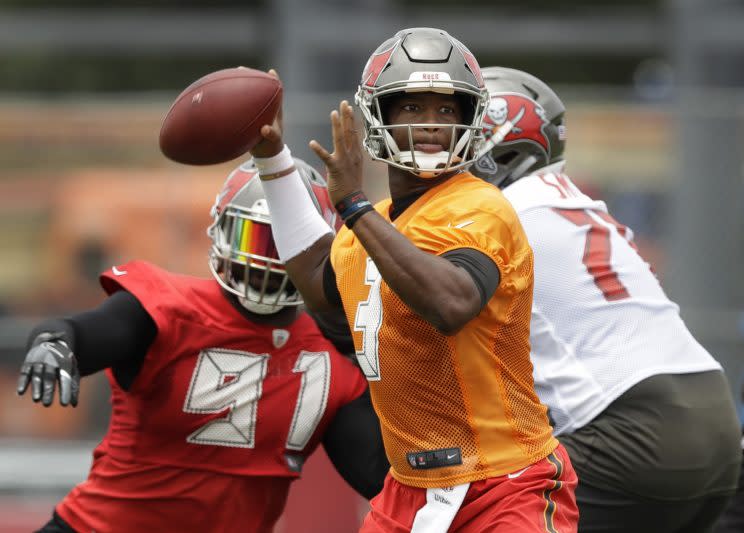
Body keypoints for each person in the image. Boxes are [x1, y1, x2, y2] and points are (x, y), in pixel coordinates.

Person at [250, 28, 578, 532]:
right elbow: (319, 283)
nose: (430, 125)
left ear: (470, 121)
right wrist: (273, 159)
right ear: (378, 116)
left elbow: (450, 303)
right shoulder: (373, 224)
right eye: (411, 108)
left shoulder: (481, 205)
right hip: (409, 492)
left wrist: (354, 207)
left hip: (505, 482)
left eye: (447, 111)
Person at [16, 158, 388, 533]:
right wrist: (56, 342)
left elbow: (379, 477)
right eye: (256, 238)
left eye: (286, 245)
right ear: (223, 230)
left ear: (321, 250)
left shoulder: (328, 357)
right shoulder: (170, 306)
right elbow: (88, 331)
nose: (268, 260)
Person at [471, 66, 742, 533]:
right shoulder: (577, 204)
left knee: (477, 513)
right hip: (716, 421)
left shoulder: (495, 218)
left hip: (634, 434)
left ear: (500, 148)